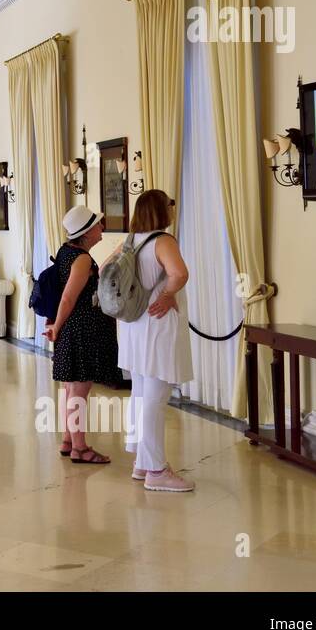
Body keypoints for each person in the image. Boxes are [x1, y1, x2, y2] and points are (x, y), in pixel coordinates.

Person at [115, 190, 194, 493]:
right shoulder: (163, 241)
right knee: (156, 398)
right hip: (157, 326)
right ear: (161, 210)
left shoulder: (131, 240)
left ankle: (141, 462)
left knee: (140, 392)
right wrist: (166, 295)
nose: (173, 209)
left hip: (134, 326)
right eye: (170, 204)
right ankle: (157, 470)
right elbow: (179, 273)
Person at [43, 206, 123, 465]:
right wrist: (57, 326)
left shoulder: (68, 253)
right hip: (80, 329)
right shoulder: (82, 259)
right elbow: (69, 297)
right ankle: (80, 447)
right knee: (78, 389)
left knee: (71, 387)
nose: (102, 229)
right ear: (87, 232)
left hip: (73, 328)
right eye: (98, 225)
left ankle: (69, 440)